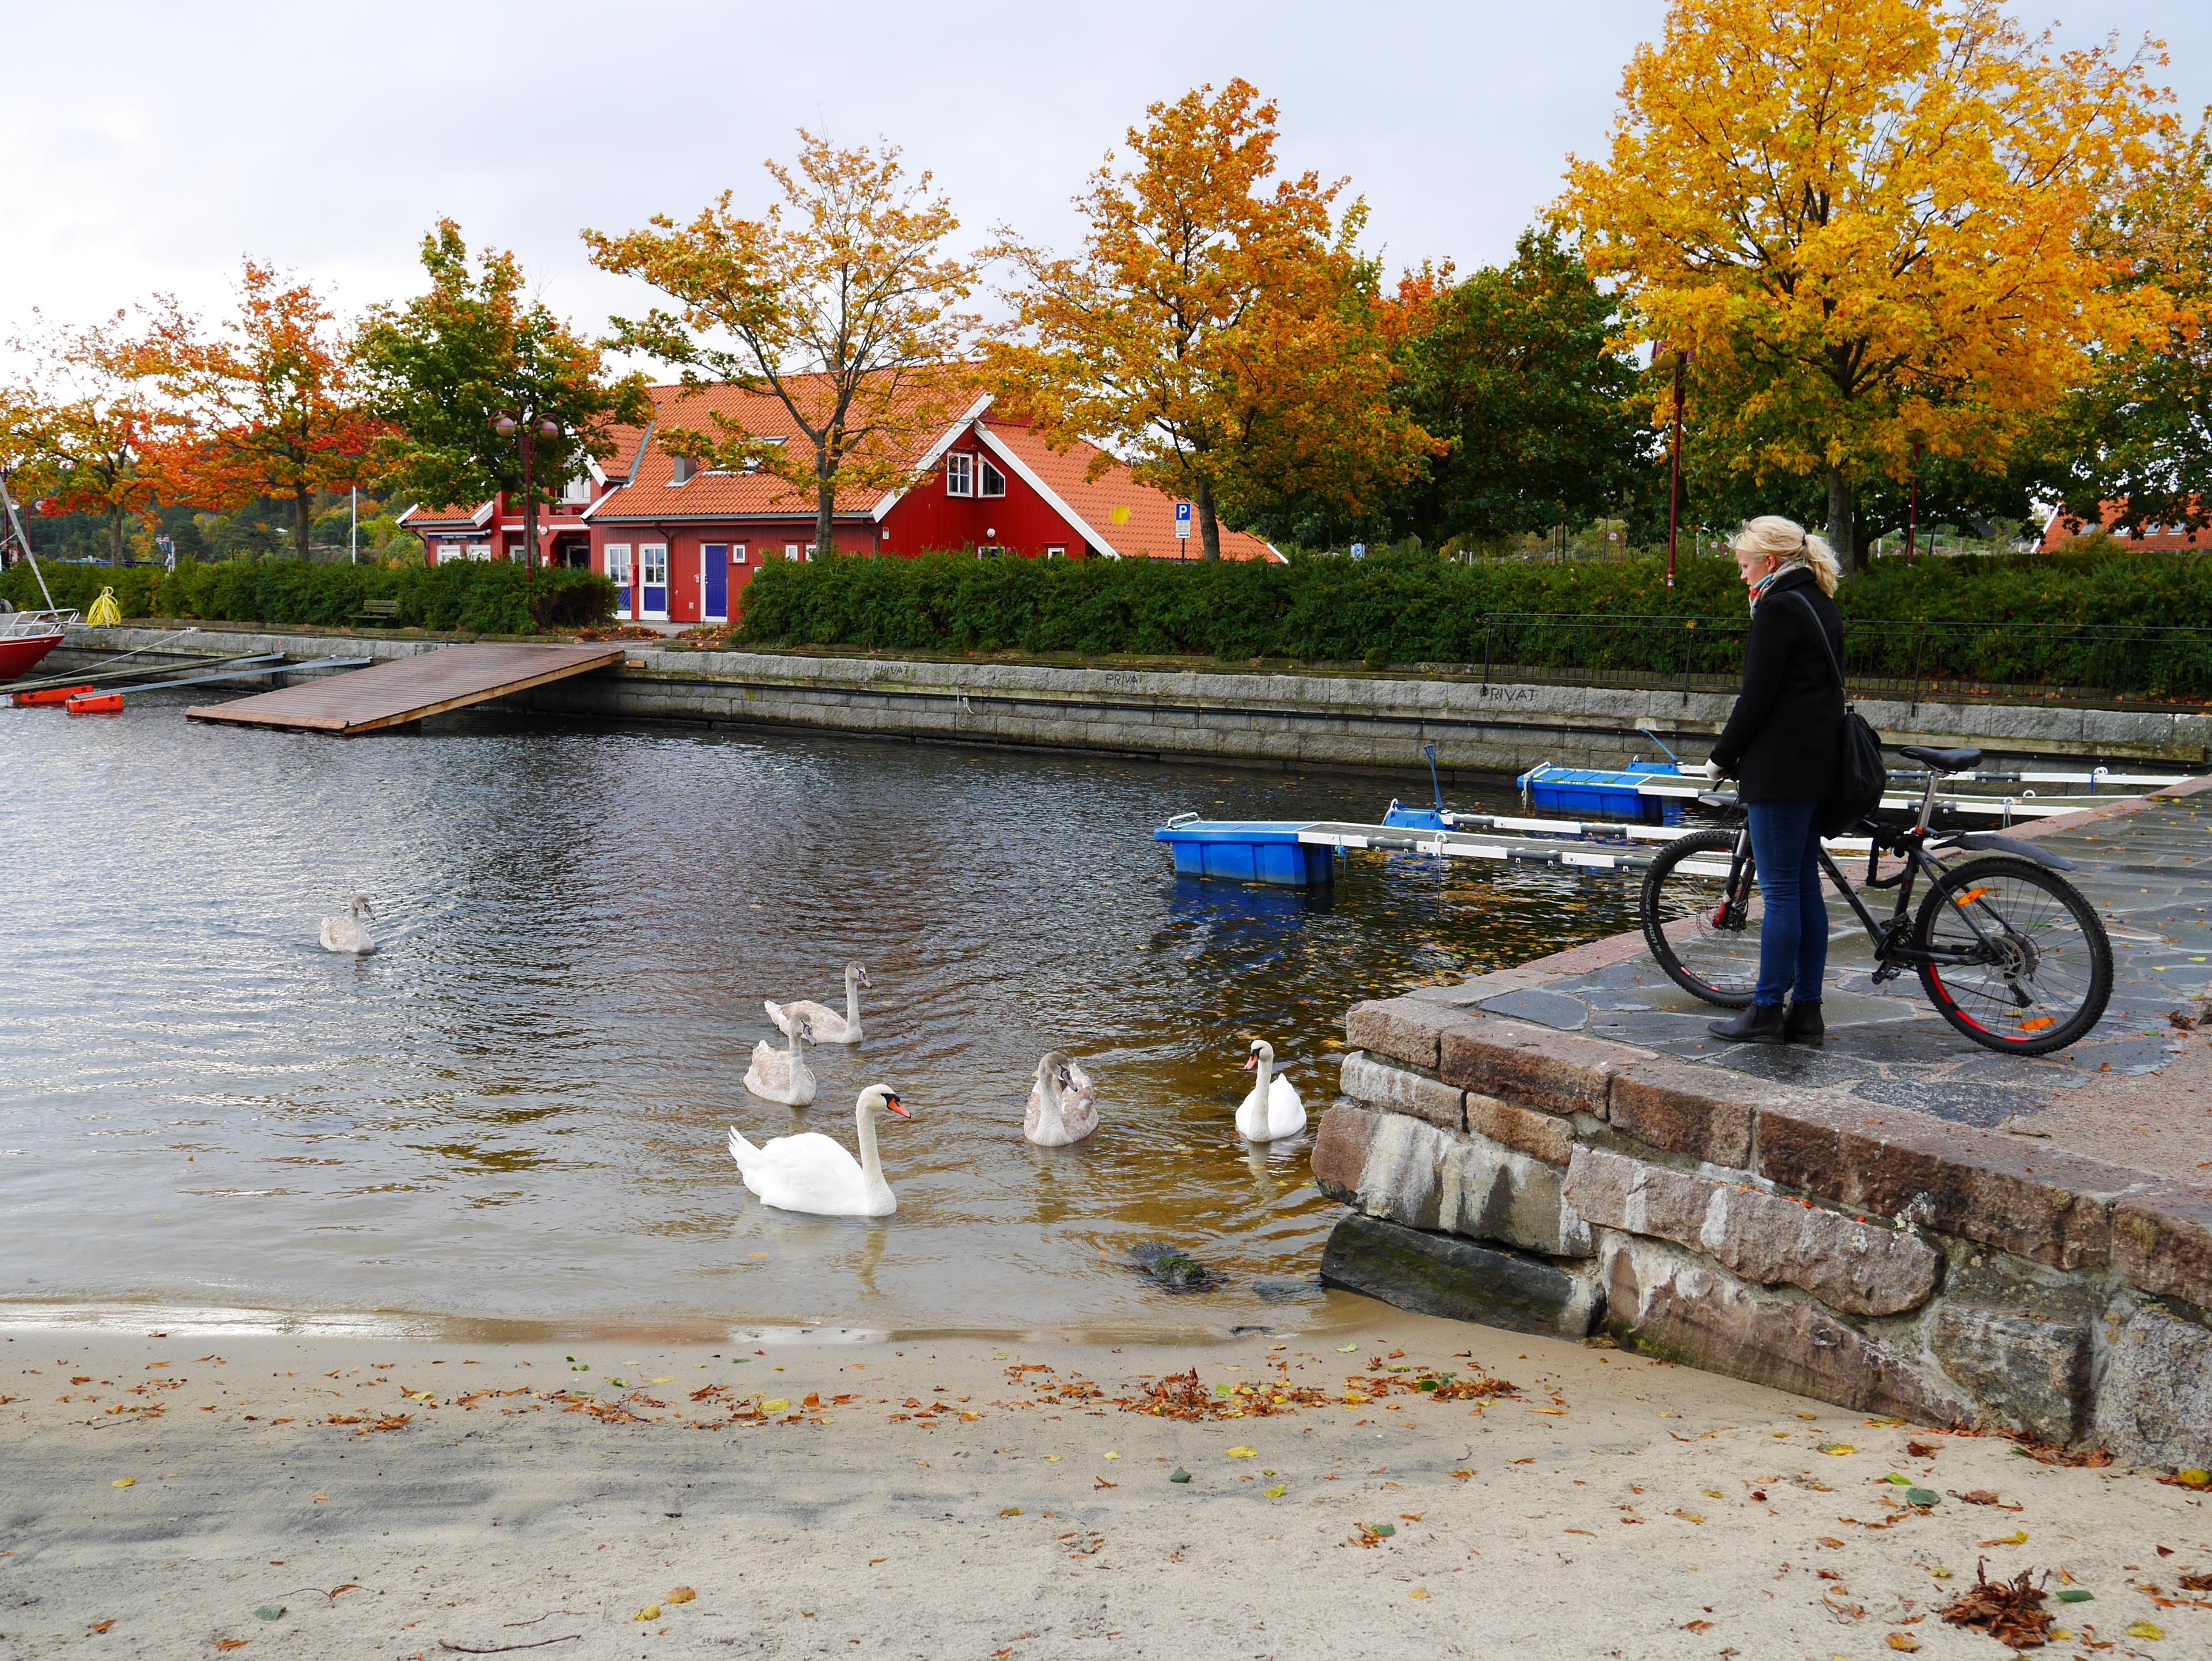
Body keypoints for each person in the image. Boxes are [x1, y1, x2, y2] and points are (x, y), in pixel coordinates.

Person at [1697, 516, 1846, 1046]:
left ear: (1769, 561)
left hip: (1781, 771)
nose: (1741, 577)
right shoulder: (1818, 600)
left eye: (1743, 565)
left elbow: (1755, 698)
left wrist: (1719, 759)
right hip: (1815, 767)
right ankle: (1805, 1012)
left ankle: (1764, 1011)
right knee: (1805, 889)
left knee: (1781, 893)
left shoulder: (1778, 606)